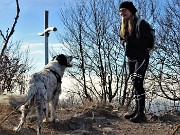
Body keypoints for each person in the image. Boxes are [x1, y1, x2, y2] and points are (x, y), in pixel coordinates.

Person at [119, 1, 152, 123]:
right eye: (120, 11)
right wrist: (124, 42)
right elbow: (122, 39)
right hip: (131, 58)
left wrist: (131, 42)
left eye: (124, 10)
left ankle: (141, 114)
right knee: (135, 83)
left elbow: (148, 42)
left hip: (141, 57)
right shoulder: (123, 24)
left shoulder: (141, 23)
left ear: (131, 11)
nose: (122, 13)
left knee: (138, 82)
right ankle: (137, 110)